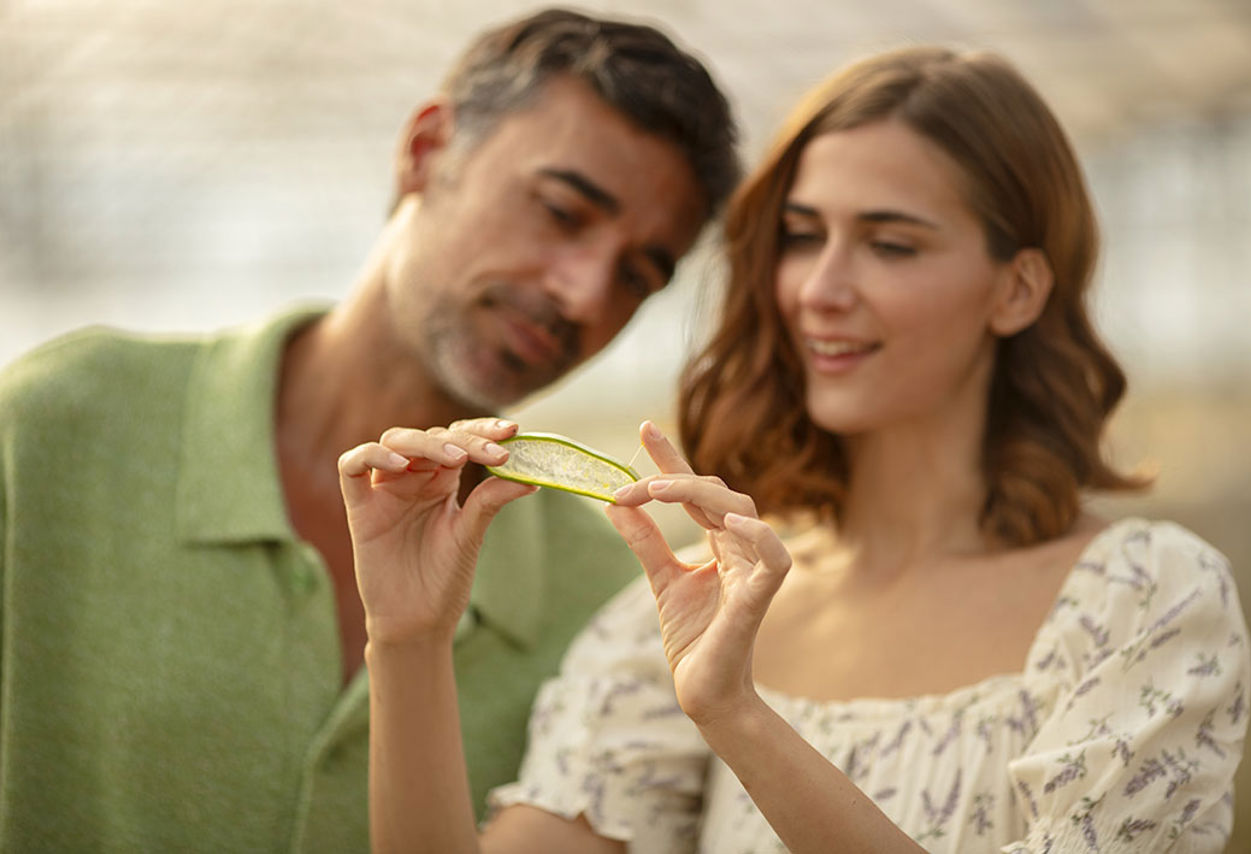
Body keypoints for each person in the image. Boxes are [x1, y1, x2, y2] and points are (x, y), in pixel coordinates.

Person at [340, 44, 1251, 852]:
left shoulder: (1148, 600)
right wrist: (411, 640)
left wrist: (739, 717)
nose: (820, 287)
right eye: (802, 237)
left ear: (1016, 290)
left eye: (890, 244)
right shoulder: (684, 617)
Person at [0, 8, 740, 851]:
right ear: (427, 150)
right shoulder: (60, 428)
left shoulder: (610, 607)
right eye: (562, 211)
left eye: (637, 274)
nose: (583, 293)